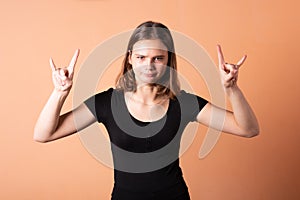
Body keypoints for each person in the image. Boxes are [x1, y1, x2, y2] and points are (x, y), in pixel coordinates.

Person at [34, 21, 259, 200]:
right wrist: (60, 92)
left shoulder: (184, 103)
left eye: (157, 58)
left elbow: (248, 129)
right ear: (130, 58)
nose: (149, 65)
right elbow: (44, 134)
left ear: (168, 60)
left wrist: (231, 88)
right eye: (141, 57)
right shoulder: (106, 102)